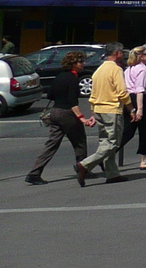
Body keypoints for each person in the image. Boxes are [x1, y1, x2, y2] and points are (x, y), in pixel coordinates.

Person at [25, 51, 94, 185]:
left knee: (51, 144)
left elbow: (50, 95)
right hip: (67, 113)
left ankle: (35, 172)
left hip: (55, 112)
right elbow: (73, 102)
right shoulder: (73, 79)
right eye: (81, 62)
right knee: (80, 142)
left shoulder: (60, 76)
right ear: (73, 64)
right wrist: (82, 118)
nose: (83, 64)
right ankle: (83, 169)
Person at [75, 42, 129, 186]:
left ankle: (112, 174)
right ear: (116, 53)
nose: (123, 55)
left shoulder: (98, 70)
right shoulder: (116, 70)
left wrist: (93, 111)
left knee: (104, 142)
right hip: (112, 110)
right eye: (122, 52)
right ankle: (84, 165)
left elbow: (93, 94)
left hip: (99, 109)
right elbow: (122, 92)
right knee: (113, 143)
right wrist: (131, 107)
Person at [122, 46, 146, 170]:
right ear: (141, 56)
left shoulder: (128, 69)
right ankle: (144, 160)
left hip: (129, 99)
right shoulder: (142, 70)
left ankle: (107, 155)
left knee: (127, 131)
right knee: (145, 131)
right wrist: (140, 109)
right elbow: (140, 90)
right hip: (140, 100)